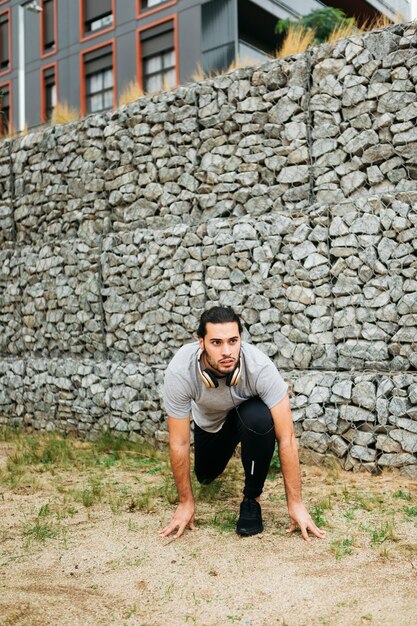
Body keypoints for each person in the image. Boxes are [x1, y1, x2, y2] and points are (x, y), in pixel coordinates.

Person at [159, 306, 325, 541]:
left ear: (240, 340)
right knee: (206, 476)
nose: (227, 351)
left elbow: (286, 438)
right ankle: (209, 472)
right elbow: (179, 442)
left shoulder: (260, 367)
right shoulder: (181, 371)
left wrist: (296, 503)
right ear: (201, 343)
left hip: (247, 418)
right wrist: (185, 502)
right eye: (216, 342)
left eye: (233, 341)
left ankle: (251, 500)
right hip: (211, 428)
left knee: (258, 416)